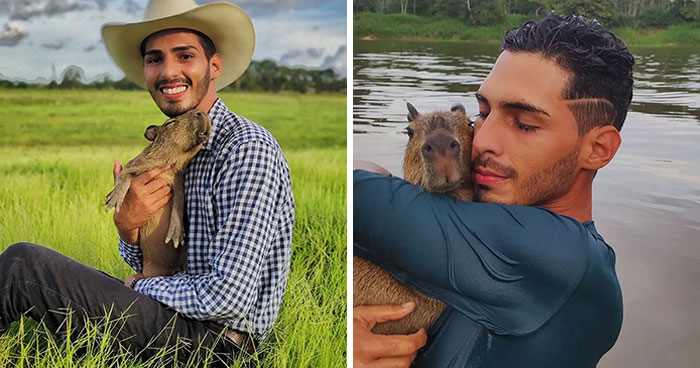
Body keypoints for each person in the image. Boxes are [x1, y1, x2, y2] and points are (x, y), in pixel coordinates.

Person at [0, 0, 294, 365]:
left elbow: (227, 296)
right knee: (41, 339)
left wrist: (140, 286)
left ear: (214, 64)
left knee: (22, 267)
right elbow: (156, 259)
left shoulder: (245, 149)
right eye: (155, 59)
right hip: (171, 318)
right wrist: (128, 229)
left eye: (184, 55)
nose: (168, 71)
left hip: (215, 347)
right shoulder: (173, 145)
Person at [353, 13, 634, 368]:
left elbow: (361, 194)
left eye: (525, 124)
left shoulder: (564, 258)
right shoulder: (475, 241)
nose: (482, 140)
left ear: (598, 149)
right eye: (482, 114)